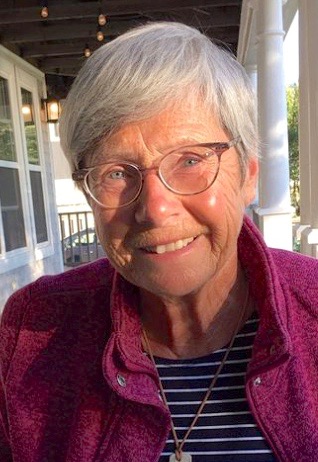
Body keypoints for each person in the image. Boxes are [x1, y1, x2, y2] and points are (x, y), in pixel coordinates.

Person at [0, 21, 318, 462]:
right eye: (115, 172)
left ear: (247, 174)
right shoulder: (34, 328)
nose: (155, 208)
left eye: (190, 159)